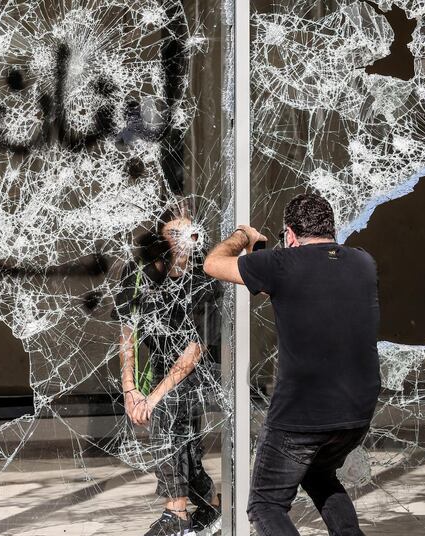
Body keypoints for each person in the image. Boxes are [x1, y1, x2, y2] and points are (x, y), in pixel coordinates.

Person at [203, 192, 381, 536]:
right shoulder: (363, 263)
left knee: (265, 505)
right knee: (319, 474)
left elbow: (213, 263)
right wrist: (265, 259)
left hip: (303, 414)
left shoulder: (281, 263)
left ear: (289, 235)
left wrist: (244, 237)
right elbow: (298, 291)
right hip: (357, 411)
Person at [113, 205, 223, 536]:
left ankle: (176, 515)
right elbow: (126, 335)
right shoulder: (140, 275)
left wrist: (152, 398)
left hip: (200, 370)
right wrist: (130, 389)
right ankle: (211, 507)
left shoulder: (206, 280)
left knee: (167, 415)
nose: (184, 240)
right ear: (161, 240)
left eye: (189, 232)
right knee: (185, 443)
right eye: (174, 234)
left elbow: (193, 353)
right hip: (160, 366)